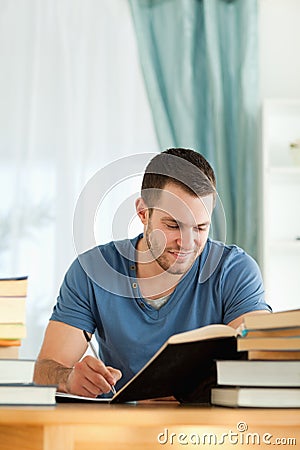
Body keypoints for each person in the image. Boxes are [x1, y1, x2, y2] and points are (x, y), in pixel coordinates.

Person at [34, 148, 271, 398]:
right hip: (117, 428)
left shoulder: (234, 271)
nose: (187, 242)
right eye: (172, 226)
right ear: (143, 213)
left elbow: (257, 361)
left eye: (200, 227)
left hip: (207, 431)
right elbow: (44, 370)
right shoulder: (92, 271)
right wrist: (68, 379)